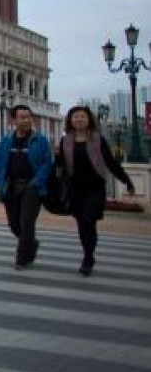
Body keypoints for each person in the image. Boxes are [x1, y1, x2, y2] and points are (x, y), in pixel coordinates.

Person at [59, 105, 135, 276]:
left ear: (89, 120)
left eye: (83, 116)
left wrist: (127, 181)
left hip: (95, 188)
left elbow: (110, 162)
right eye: (76, 116)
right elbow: (60, 165)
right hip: (75, 189)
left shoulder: (98, 139)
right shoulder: (65, 141)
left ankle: (87, 257)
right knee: (81, 224)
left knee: (88, 220)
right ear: (70, 120)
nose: (79, 119)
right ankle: (88, 253)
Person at [0, 104, 53, 269]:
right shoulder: (7, 140)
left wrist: (37, 181)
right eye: (22, 117)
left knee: (27, 222)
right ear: (14, 120)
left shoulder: (40, 140)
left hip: (32, 187)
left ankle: (21, 258)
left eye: (28, 117)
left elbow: (47, 163)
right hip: (11, 186)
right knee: (14, 224)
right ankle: (31, 243)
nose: (26, 120)